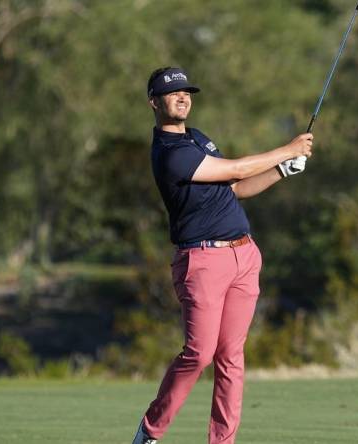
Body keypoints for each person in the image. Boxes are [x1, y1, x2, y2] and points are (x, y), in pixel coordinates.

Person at [132, 67, 314, 444]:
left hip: (243, 255)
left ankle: (223, 441)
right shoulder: (169, 154)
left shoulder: (197, 139)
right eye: (172, 92)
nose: (182, 97)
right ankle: (151, 431)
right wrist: (288, 148)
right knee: (199, 354)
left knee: (231, 356)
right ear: (154, 102)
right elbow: (236, 167)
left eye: (186, 91)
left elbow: (236, 186)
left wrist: (282, 170)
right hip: (202, 261)